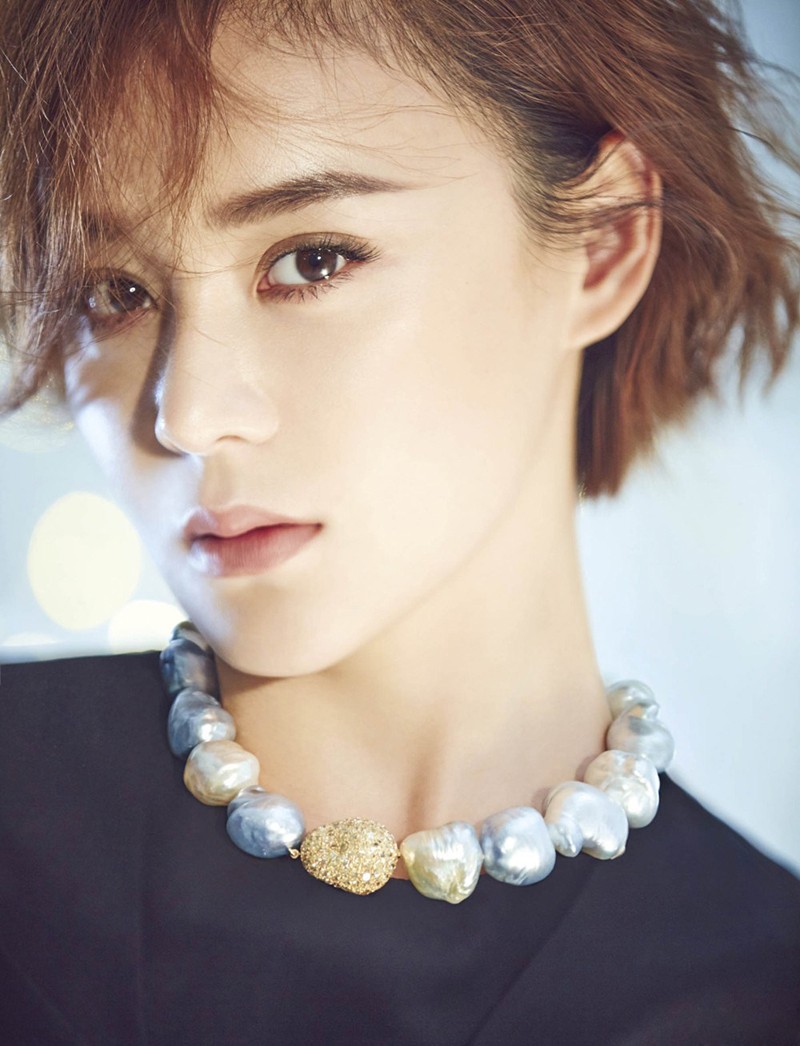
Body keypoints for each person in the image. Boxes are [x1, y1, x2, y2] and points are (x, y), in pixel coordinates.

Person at [1, 0, 798, 1042]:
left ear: (603, 244)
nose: (187, 412)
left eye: (313, 260)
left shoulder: (763, 992)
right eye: (115, 292)